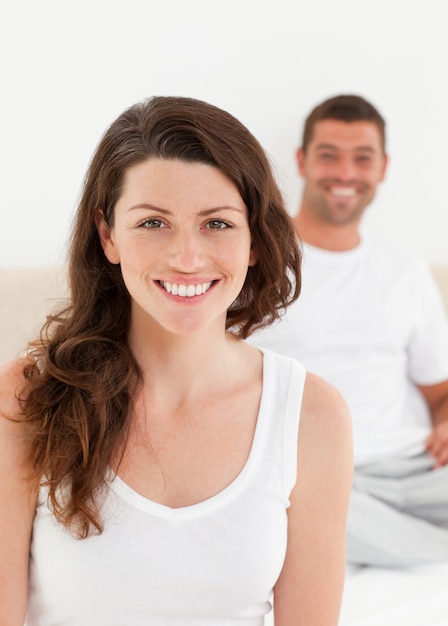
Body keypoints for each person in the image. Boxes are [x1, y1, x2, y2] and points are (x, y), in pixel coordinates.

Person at [0, 96, 352, 625]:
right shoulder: (28, 399)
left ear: (254, 239)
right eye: (153, 223)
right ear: (107, 234)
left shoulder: (313, 415)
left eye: (217, 224)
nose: (187, 258)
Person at [248, 94, 448, 567]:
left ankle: (406, 544)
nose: (345, 173)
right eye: (328, 155)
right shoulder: (257, 263)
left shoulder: (406, 272)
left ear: (383, 168)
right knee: (291, 504)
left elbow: (439, 391)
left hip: (414, 465)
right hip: (317, 474)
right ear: (301, 161)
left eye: (362, 158)